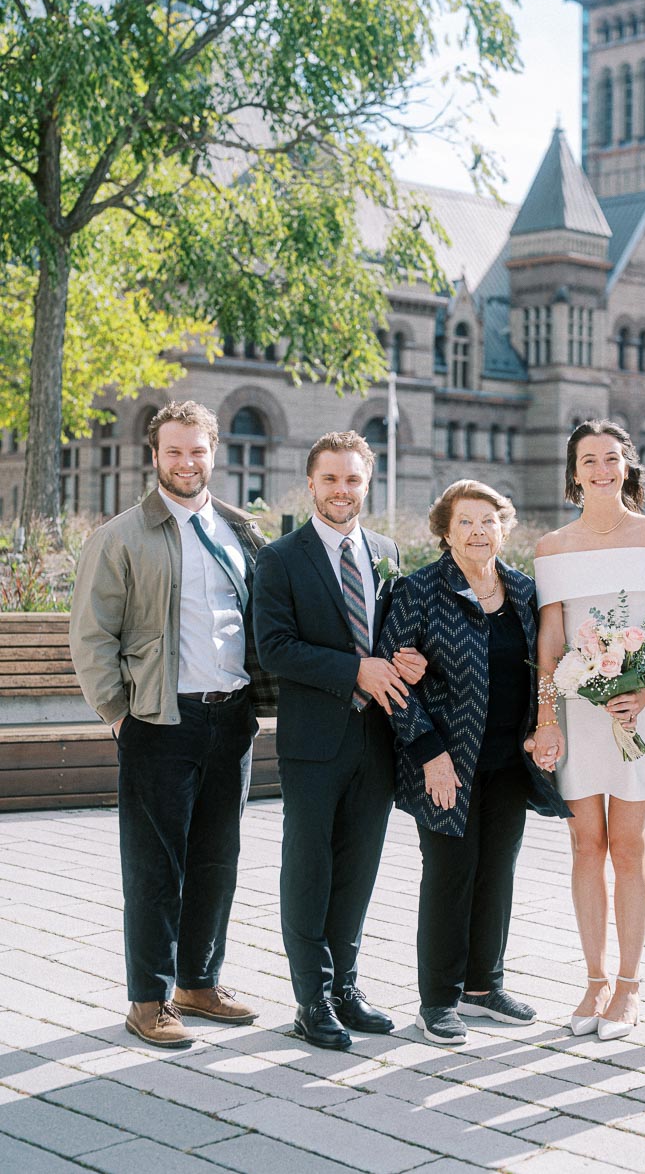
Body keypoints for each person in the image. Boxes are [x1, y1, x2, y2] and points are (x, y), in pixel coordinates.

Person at [70, 400, 276, 1048]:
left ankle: (198, 982)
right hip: (160, 718)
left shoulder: (240, 532)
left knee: (217, 859)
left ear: (213, 453)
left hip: (232, 717)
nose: (187, 462)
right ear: (155, 456)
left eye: (197, 450)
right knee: (156, 867)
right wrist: (119, 715)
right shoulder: (122, 535)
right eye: (174, 451)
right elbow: (92, 634)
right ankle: (149, 998)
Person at [376, 479, 569, 1046]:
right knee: (450, 876)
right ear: (444, 530)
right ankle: (437, 1001)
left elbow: (546, 668)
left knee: (497, 872)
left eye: (488, 520)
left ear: (503, 526)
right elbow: (393, 682)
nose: (479, 531)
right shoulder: (420, 590)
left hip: (511, 761)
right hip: (445, 761)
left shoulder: (526, 592)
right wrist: (430, 753)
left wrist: (544, 726)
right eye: (465, 522)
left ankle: (484, 987)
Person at [252, 430, 424, 1051]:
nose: (341, 490)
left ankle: (347, 988)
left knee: (358, 867)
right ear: (310, 483)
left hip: (377, 739)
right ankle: (311, 999)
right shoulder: (278, 559)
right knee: (309, 868)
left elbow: (397, 631)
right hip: (313, 742)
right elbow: (274, 648)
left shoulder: (386, 550)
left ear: (367, 483)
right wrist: (355, 670)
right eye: (330, 479)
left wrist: (407, 660)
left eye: (352, 479)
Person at [532, 421, 645, 1039]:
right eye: (588, 460)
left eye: (611, 458)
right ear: (574, 472)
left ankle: (629, 986)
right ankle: (593, 980)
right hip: (575, 710)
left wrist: (643, 693)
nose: (601, 469)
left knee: (627, 847)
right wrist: (547, 717)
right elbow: (550, 639)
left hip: (638, 707)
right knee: (583, 847)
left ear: (627, 466)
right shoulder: (552, 546)